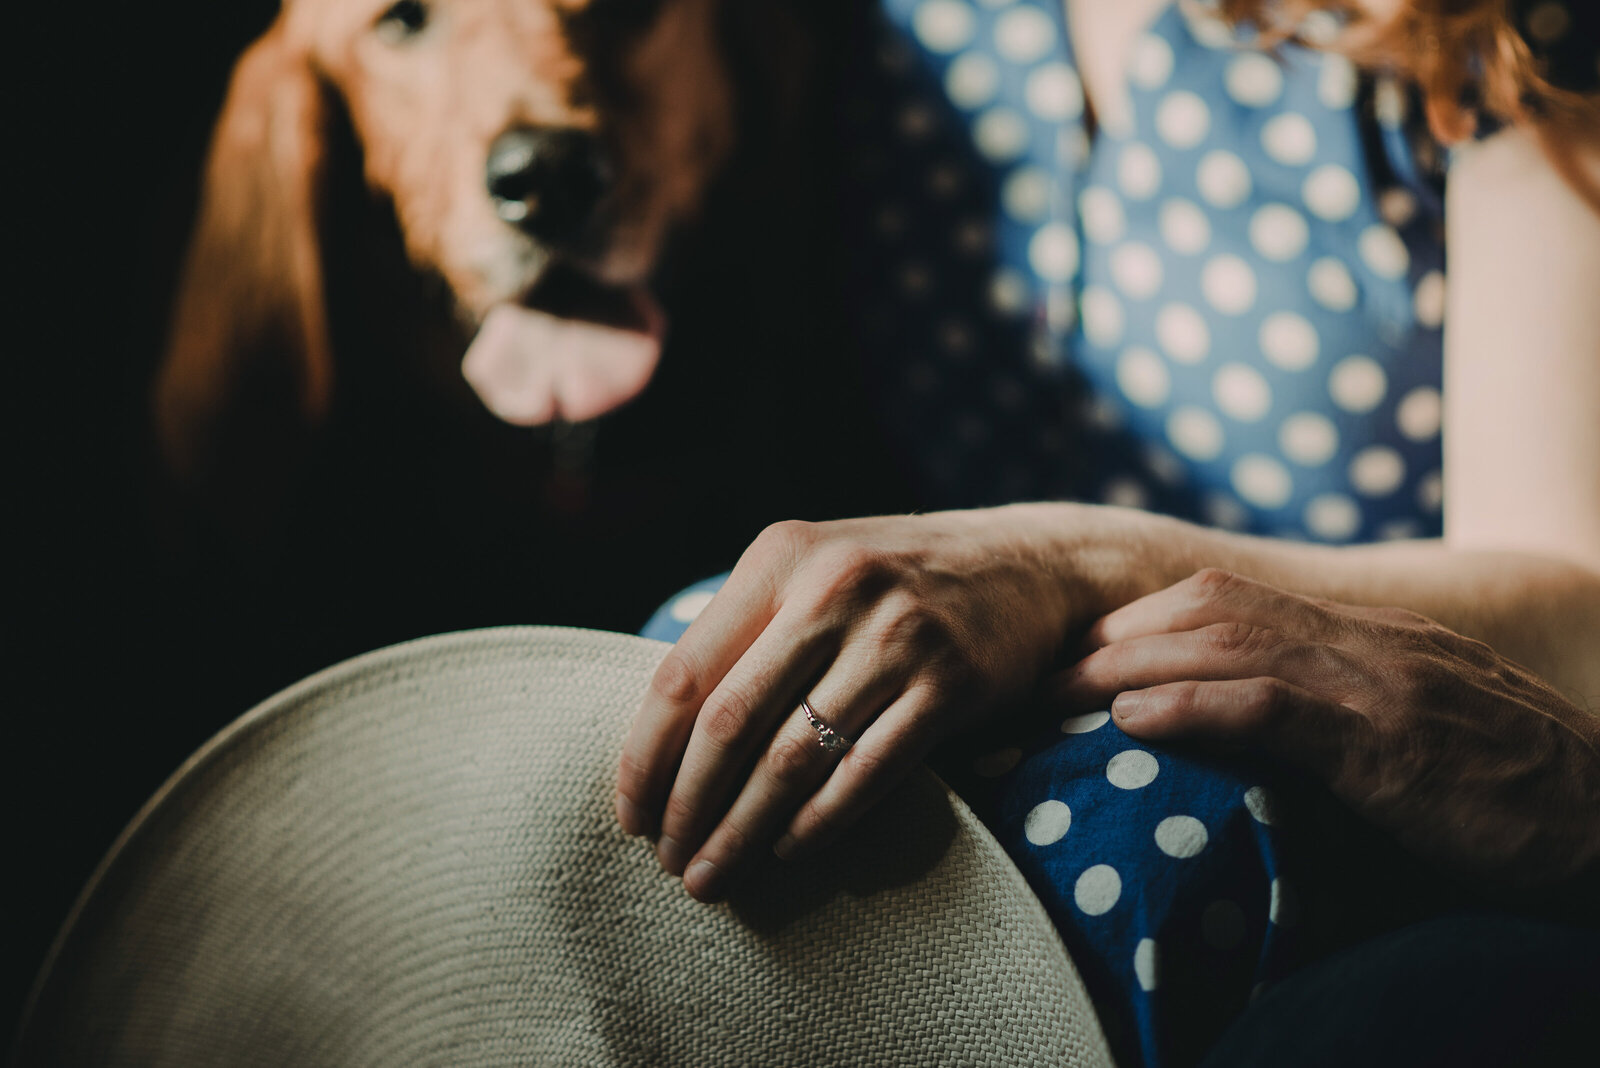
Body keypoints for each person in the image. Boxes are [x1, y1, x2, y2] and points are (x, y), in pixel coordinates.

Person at [615, 1, 1599, 1064]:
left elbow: (1573, 604)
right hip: (980, 758)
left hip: (1334, 799)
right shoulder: (873, 27)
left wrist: (1062, 567)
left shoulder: (1480, 25)